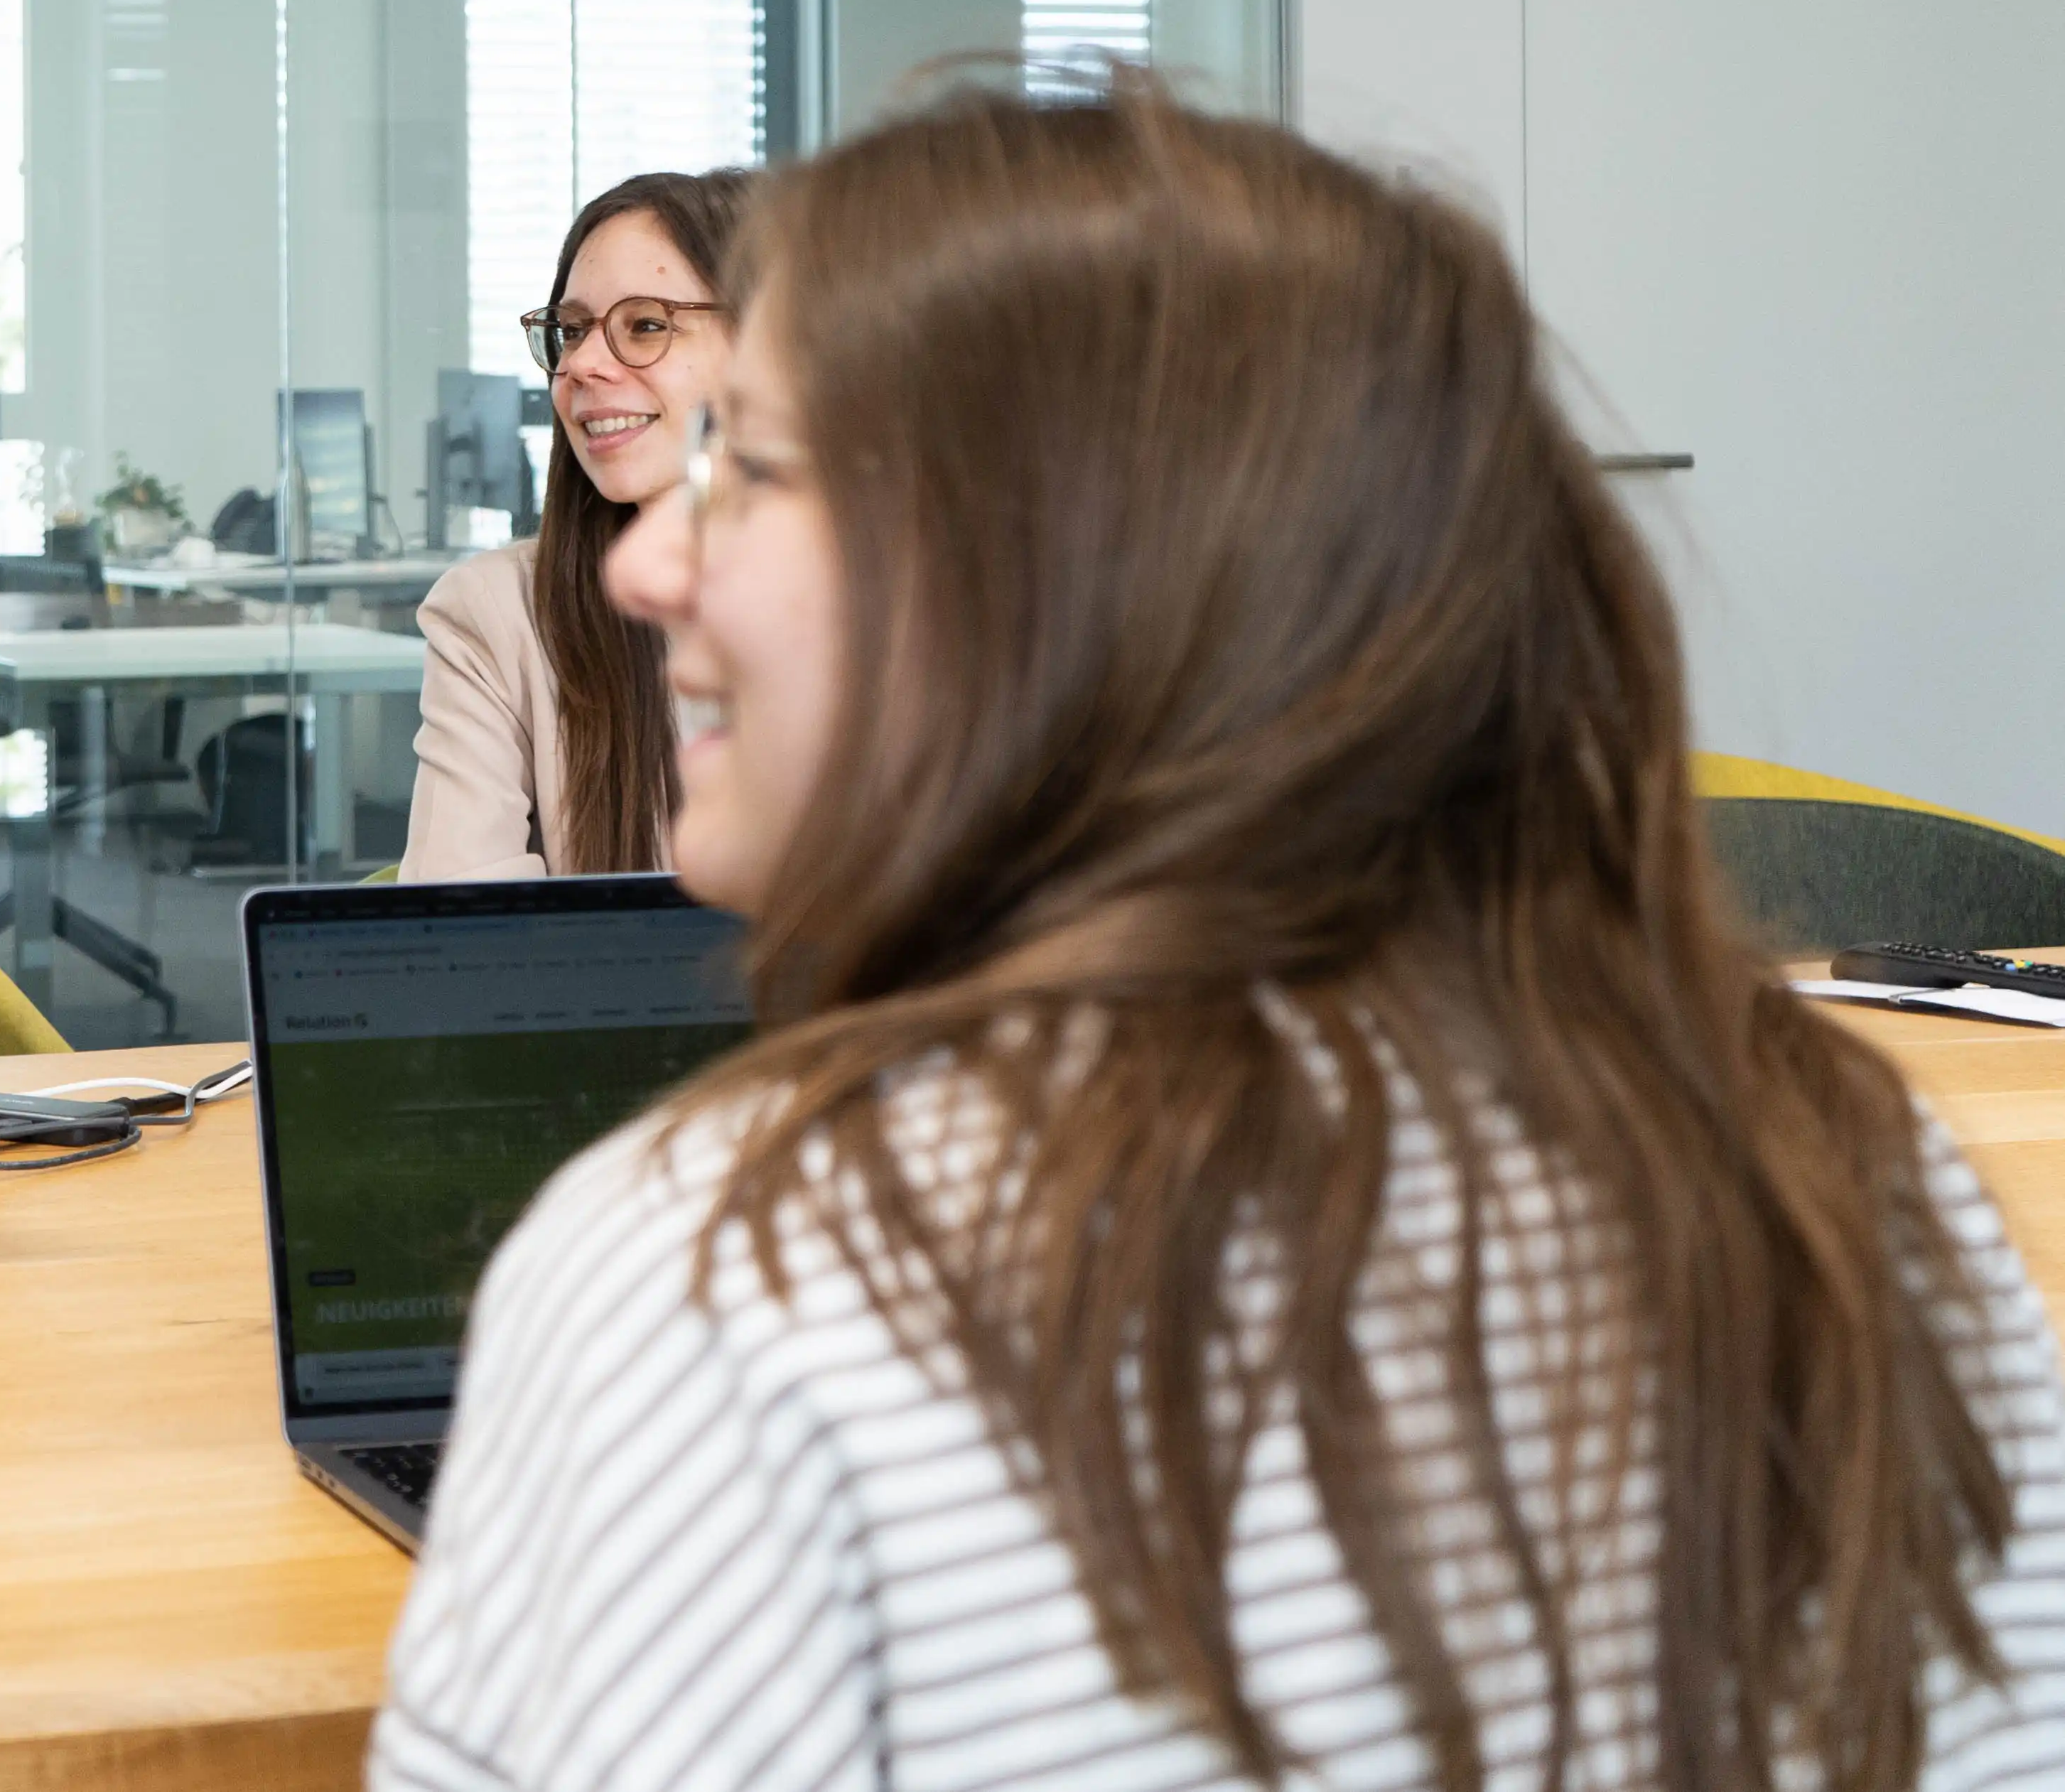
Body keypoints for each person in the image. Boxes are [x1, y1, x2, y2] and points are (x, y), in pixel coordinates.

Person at [377, 87, 2065, 1791]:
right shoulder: (1842, 1173)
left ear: (1056, 577)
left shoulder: (716, 1289)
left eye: (746, 469)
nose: (647, 563)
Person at [399, 168, 753, 879]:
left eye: (646, 325)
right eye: (571, 331)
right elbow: (457, 928)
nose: (581, 365)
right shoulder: (496, 610)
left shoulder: (912, 615)